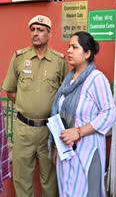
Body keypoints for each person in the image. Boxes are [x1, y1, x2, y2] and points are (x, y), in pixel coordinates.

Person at [2, 15, 68, 196]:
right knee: (22, 179)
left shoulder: (59, 61)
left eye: (40, 30)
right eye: (32, 30)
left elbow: (64, 96)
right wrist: (27, 106)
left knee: (50, 178)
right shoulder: (19, 58)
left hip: (49, 130)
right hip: (23, 129)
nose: (35, 34)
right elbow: (10, 91)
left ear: (49, 34)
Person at [50, 31, 116, 196]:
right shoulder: (69, 80)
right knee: (67, 190)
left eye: (74, 47)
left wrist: (78, 131)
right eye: (68, 46)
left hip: (87, 149)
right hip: (67, 150)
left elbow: (109, 113)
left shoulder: (96, 79)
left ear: (87, 53)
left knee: (86, 191)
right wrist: (59, 146)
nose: (69, 51)